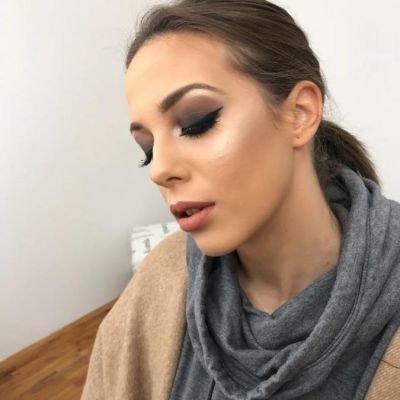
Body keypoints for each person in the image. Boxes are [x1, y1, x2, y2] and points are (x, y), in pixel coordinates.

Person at [81, 0, 400, 399]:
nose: (158, 169)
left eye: (196, 123)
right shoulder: (160, 277)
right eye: (147, 149)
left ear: (300, 113)